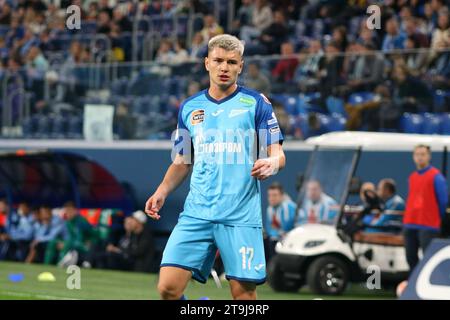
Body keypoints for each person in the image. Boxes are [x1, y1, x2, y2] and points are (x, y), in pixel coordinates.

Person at [145, 34, 285, 300]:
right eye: (218, 61)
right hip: (197, 213)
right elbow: (182, 159)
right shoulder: (189, 108)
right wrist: (162, 190)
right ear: (206, 63)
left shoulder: (256, 104)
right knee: (167, 289)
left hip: (240, 217)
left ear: (240, 66)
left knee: (243, 297)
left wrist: (271, 164)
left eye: (231, 62)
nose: (224, 67)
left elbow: (278, 154)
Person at [403, 145, 448, 273]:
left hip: (428, 225)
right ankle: (413, 285)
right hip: (410, 223)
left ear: (429, 156)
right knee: (410, 257)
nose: (420, 157)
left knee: (429, 259)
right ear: (413, 157)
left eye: (423, 154)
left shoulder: (436, 176)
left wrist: (435, 218)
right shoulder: (412, 177)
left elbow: (443, 201)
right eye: (417, 154)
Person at [44, 201, 94, 266]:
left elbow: (89, 235)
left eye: (70, 211)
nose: (68, 213)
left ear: (75, 211)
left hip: (81, 244)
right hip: (71, 243)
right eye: (66, 211)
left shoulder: (81, 221)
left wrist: (90, 241)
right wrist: (61, 242)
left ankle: (60, 264)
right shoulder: (66, 222)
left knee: (67, 243)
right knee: (53, 242)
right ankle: (46, 265)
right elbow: (65, 236)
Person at [264, 182, 296, 261]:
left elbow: (288, 227)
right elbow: (269, 228)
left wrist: (277, 234)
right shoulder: (270, 209)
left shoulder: (289, 206)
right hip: (277, 240)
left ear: (282, 196)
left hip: (291, 242)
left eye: (275, 195)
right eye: (269, 195)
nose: (271, 198)